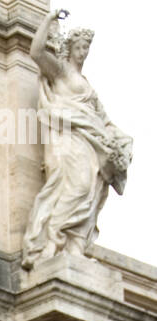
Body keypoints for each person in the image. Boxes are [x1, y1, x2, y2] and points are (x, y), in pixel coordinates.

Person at [22, 10, 132, 268]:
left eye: (87, 48)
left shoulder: (86, 85)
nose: (84, 52)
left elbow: (103, 120)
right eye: (80, 47)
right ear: (70, 48)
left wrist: (120, 142)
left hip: (89, 143)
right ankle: (52, 240)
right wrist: (49, 20)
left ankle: (74, 245)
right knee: (76, 187)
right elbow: (36, 52)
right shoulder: (60, 71)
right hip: (68, 140)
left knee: (89, 190)